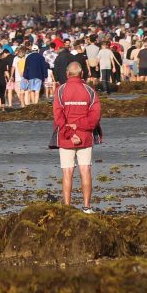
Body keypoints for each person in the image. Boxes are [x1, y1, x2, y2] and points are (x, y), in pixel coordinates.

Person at [51, 61, 101, 212]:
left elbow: (58, 116)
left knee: (67, 172)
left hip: (66, 137)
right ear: (82, 74)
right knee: (85, 170)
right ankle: (87, 207)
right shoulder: (89, 90)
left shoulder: (60, 90)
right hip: (84, 136)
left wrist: (70, 132)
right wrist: (79, 129)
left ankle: (67, 208)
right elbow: (95, 117)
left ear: (67, 74)